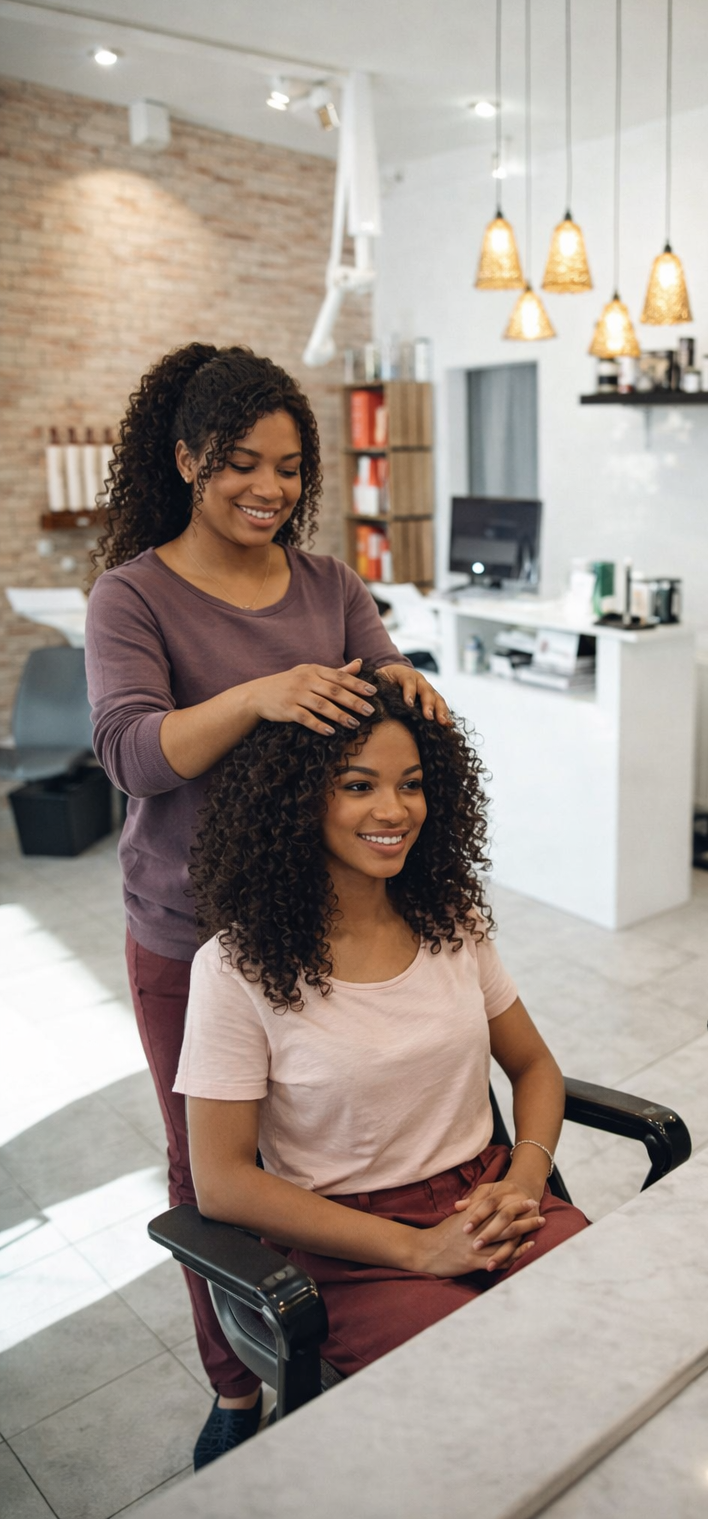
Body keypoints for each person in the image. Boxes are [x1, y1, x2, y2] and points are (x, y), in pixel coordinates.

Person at [85, 343, 448, 1467]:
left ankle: (350, 1336)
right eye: (241, 463)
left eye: (289, 469)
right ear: (188, 458)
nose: (269, 490)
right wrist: (258, 695)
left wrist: (405, 684)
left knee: (320, 1151)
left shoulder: (330, 586)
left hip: (319, 923)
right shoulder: (131, 595)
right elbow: (133, 755)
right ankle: (236, 1386)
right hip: (192, 941)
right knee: (214, 1181)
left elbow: (383, 678)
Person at [176, 673, 588, 1461]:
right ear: (298, 800)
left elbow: (535, 1067)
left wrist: (525, 1179)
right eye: (358, 786)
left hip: (491, 1194)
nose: (393, 811)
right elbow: (222, 1182)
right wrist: (418, 1250)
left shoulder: (451, 921)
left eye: (411, 785)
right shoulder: (235, 969)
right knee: (476, 1416)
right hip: (354, 1248)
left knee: (604, 1331)